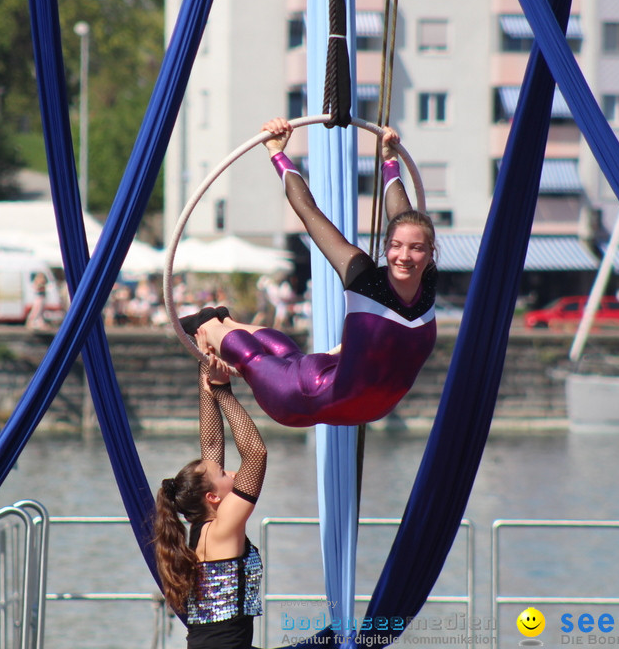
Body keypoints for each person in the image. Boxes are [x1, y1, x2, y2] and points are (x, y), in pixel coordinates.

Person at [182, 117, 438, 428]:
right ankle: (207, 324)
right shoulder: (363, 278)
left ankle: (227, 320)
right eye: (396, 246)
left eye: (416, 249)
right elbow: (308, 211)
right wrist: (276, 153)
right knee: (254, 357)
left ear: (430, 253)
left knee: (290, 356)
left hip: (340, 386)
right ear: (386, 246)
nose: (405, 256)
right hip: (302, 398)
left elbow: (406, 218)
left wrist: (390, 162)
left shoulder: (429, 281)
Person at [154, 341, 267, 649]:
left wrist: (206, 361)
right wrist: (223, 391)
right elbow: (256, 454)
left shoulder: (201, 528)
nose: (231, 473)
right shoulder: (223, 527)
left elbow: (213, 444)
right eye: (224, 475)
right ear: (212, 498)